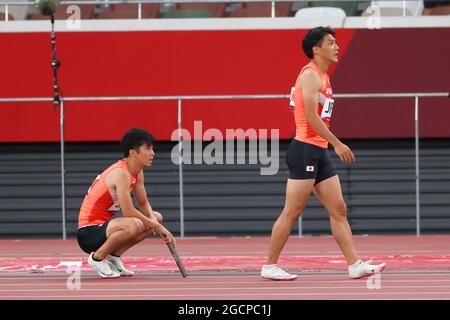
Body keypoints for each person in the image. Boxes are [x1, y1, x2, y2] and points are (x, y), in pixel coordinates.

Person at [261, 27, 386, 281]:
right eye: (330, 43)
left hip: (319, 151)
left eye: (336, 42)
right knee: (292, 211)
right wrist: (337, 144)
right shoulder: (309, 74)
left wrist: (328, 145)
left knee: (338, 209)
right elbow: (310, 116)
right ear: (316, 49)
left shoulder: (325, 77)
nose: (336, 47)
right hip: (305, 150)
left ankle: (354, 264)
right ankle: (269, 266)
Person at [77, 127, 175, 278]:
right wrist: (159, 227)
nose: (152, 153)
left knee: (156, 216)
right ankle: (97, 258)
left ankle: (114, 257)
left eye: (152, 149)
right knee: (135, 223)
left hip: (106, 229)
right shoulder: (121, 173)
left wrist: (155, 222)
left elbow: (143, 204)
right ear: (133, 153)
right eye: (147, 149)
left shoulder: (137, 172)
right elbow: (128, 212)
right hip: (88, 233)